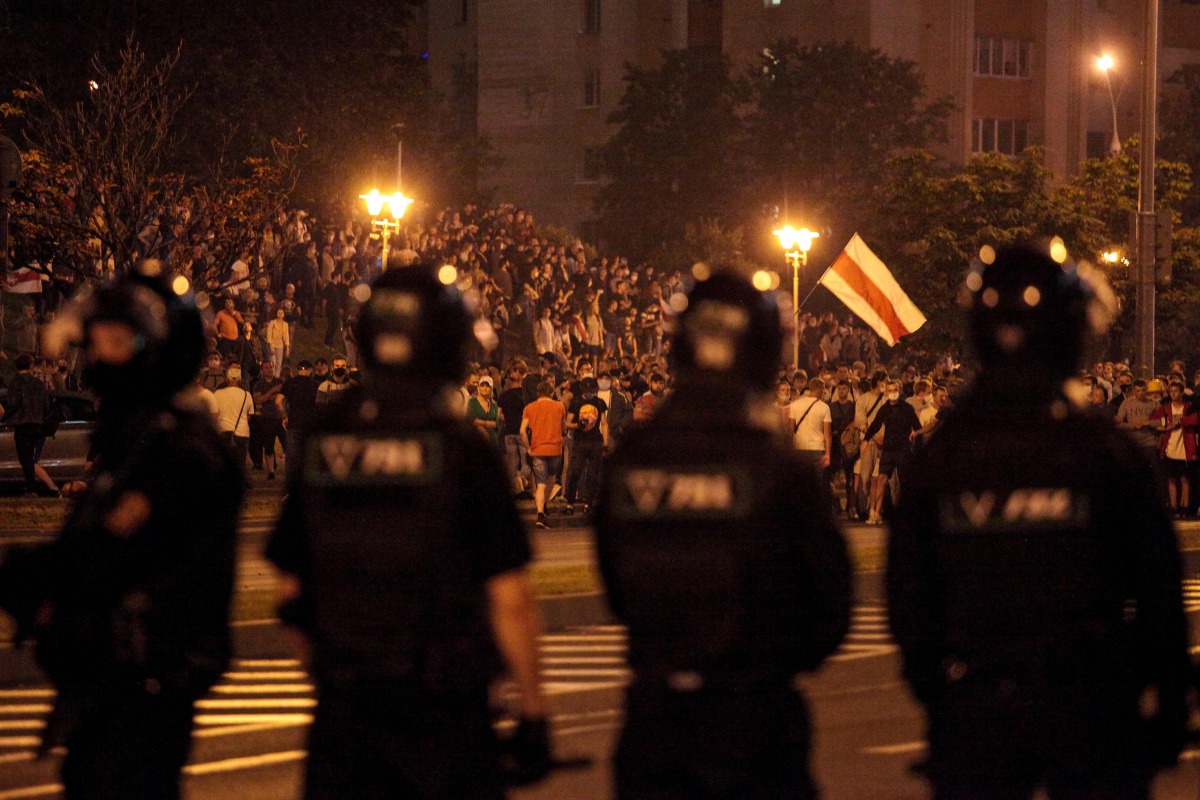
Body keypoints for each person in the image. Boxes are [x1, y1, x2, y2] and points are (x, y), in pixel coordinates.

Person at [888, 241, 1190, 800]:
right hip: (1092, 710)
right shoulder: (1108, 452)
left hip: (978, 712)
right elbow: (1159, 594)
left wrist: (941, 696)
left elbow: (908, 592)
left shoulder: (942, 456)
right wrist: (1165, 708)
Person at [265, 264, 550, 799]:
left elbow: (289, 590)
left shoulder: (326, 438)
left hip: (346, 720)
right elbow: (510, 597)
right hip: (444, 719)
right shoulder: (462, 447)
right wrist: (533, 713)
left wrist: (333, 679)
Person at [594, 270, 851, 799]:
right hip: (756, 718)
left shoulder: (632, 459)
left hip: (657, 717)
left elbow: (617, 589)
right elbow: (830, 608)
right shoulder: (780, 467)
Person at [0, 265, 243, 800]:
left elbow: (109, 555)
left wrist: (31, 577)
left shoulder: (179, 447)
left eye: (118, 340)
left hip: (146, 681)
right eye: (96, 340)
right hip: (107, 682)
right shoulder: (134, 435)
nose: (102, 355)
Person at [0, 353, 60, 497]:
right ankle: (31, 488)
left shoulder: (15, 383)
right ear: (30, 365)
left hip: (22, 425)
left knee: (24, 458)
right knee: (31, 459)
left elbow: (13, 404)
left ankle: (31, 489)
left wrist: (4, 418)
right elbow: (46, 406)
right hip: (37, 425)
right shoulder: (38, 383)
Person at [521, 379, 567, 529]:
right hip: (555, 449)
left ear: (538, 393)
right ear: (552, 392)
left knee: (540, 484)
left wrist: (528, 447)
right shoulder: (559, 406)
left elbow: (522, 431)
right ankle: (545, 505)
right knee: (551, 480)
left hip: (538, 449)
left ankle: (540, 513)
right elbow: (563, 428)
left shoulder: (529, 407)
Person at [563, 376, 608, 516]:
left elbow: (604, 423)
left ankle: (589, 503)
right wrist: (578, 425)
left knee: (593, 474)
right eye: (588, 390)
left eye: (592, 390)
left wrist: (605, 443)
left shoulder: (599, 403)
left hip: (595, 441)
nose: (590, 394)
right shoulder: (576, 402)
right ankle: (569, 502)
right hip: (580, 441)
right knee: (575, 471)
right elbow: (567, 423)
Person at [213, 364, 255, 466]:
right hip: (242, 432)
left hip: (223, 431)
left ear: (227, 379)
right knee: (239, 464)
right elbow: (249, 415)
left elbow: (214, 414)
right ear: (240, 380)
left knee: (224, 463)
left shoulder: (218, 394)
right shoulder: (246, 395)